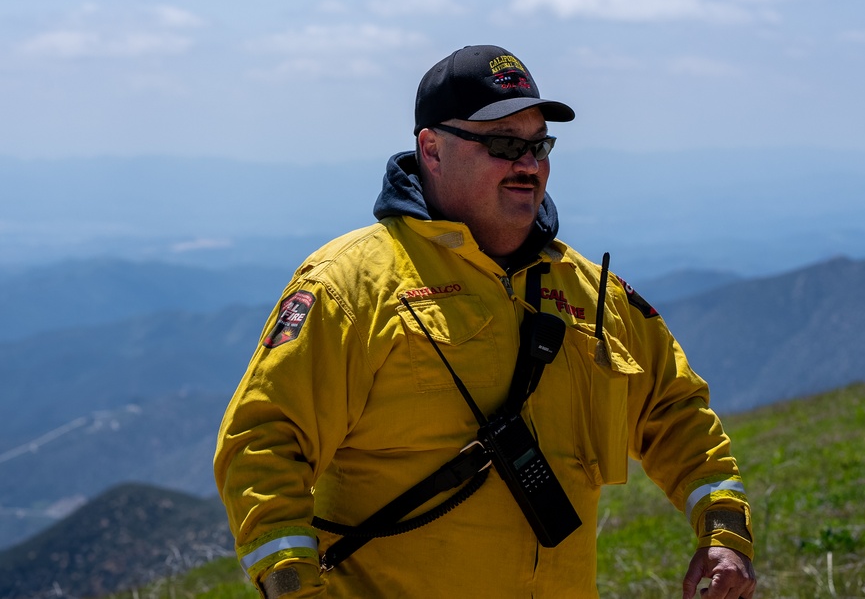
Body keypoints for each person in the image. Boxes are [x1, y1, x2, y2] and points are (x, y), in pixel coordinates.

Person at [215, 44, 756, 598]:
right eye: (503, 144)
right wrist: (291, 586)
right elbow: (263, 442)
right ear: (433, 149)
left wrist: (725, 531)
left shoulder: (592, 294)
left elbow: (675, 410)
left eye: (538, 145)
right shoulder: (348, 286)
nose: (528, 164)